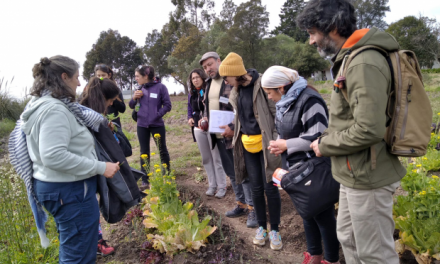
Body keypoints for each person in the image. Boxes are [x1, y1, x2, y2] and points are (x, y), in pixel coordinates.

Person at [297, 0, 406, 263]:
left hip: (368, 175)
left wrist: (324, 145)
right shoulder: (350, 59)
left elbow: (369, 130)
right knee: (349, 237)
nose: (311, 41)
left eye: (313, 33)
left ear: (331, 27)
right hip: (352, 171)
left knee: (374, 253)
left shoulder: (363, 63)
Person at [15, 56, 120, 263]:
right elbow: (53, 156)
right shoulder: (54, 110)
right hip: (70, 191)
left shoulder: (40, 104)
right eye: (76, 77)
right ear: (64, 77)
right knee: (78, 255)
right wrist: (100, 167)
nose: (79, 83)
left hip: (60, 189)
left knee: (74, 245)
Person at [262, 66, 340, 264]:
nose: (269, 98)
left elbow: (318, 136)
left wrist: (286, 144)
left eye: (270, 93)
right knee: (306, 213)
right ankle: (314, 255)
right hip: (296, 167)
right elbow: (287, 129)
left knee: (323, 216)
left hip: (313, 168)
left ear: (281, 88)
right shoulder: (285, 102)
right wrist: (281, 145)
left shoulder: (309, 100)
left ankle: (331, 260)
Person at [219, 52, 282, 250]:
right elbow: (240, 116)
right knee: (256, 188)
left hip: (267, 145)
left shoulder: (262, 85)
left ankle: (275, 231)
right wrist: (231, 126)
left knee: (270, 187)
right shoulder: (235, 91)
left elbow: (276, 114)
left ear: (235, 73)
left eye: (226, 77)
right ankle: (262, 228)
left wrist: (275, 140)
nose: (226, 82)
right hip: (247, 146)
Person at [199, 52, 257, 228]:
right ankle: (240, 204)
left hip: (235, 135)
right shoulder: (208, 84)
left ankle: (253, 208)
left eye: (210, 64)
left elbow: (242, 107)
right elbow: (206, 107)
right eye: (205, 67)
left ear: (219, 61)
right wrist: (204, 119)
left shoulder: (232, 80)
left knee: (243, 172)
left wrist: (233, 127)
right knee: (231, 172)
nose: (208, 69)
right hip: (218, 136)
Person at [187, 68, 227, 198]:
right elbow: (189, 108)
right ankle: (212, 185)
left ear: (203, 77)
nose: (195, 80)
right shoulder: (192, 94)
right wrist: (190, 118)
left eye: (197, 77)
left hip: (211, 126)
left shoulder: (209, 89)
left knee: (216, 157)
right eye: (193, 78)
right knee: (206, 158)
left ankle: (222, 186)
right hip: (198, 129)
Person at [129, 65, 172, 185]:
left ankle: (167, 175)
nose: (136, 78)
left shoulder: (161, 87)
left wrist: (158, 114)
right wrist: (134, 98)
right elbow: (132, 105)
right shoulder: (139, 88)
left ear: (146, 76)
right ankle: (145, 179)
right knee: (144, 152)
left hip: (157, 124)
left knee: (162, 150)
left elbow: (168, 105)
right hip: (141, 125)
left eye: (138, 76)